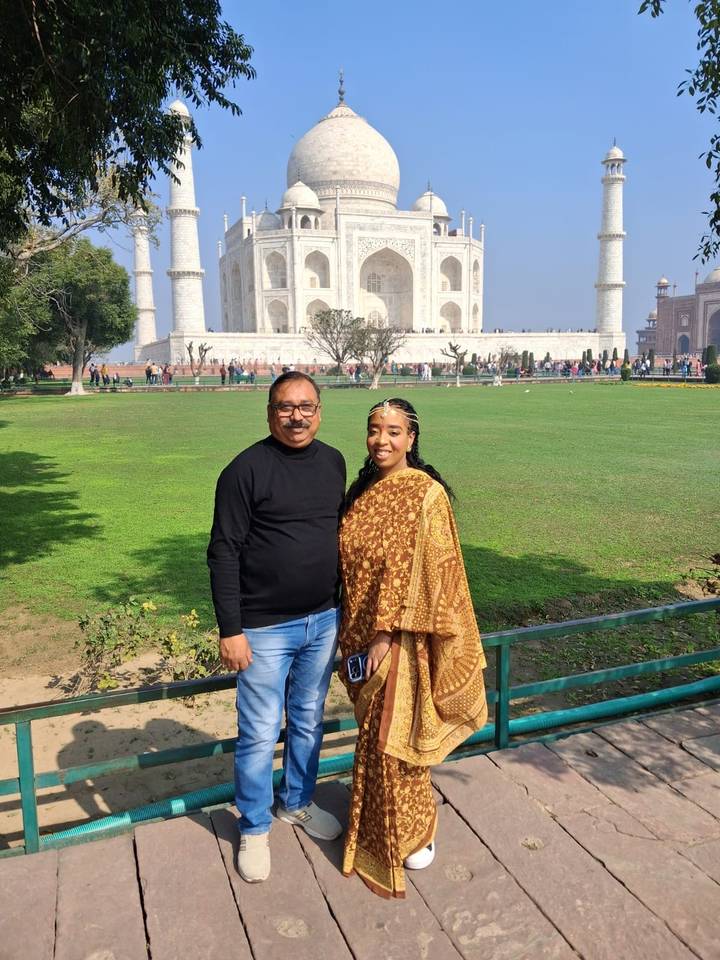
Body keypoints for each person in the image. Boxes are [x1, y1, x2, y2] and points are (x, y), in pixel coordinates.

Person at [338, 397, 487, 899]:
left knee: (394, 742)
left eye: (394, 431)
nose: (382, 440)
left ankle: (411, 831)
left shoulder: (425, 494)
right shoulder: (362, 491)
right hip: (358, 633)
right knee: (373, 738)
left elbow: (436, 569)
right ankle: (380, 823)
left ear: (412, 438)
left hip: (403, 637)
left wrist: (387, 631)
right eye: (375, 429)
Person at [207, 371, 347, 884]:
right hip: (263, 628)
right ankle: (255, 827)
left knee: (308, 718)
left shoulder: (333, 462)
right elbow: (224, 552)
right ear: (270, 412)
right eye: (286, 407)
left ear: (319, 410)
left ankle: (298, 802)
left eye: (306, 406)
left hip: (322, 618)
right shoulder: (245, 470)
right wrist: (231, 628)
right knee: (260, 731)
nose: (297, 416)